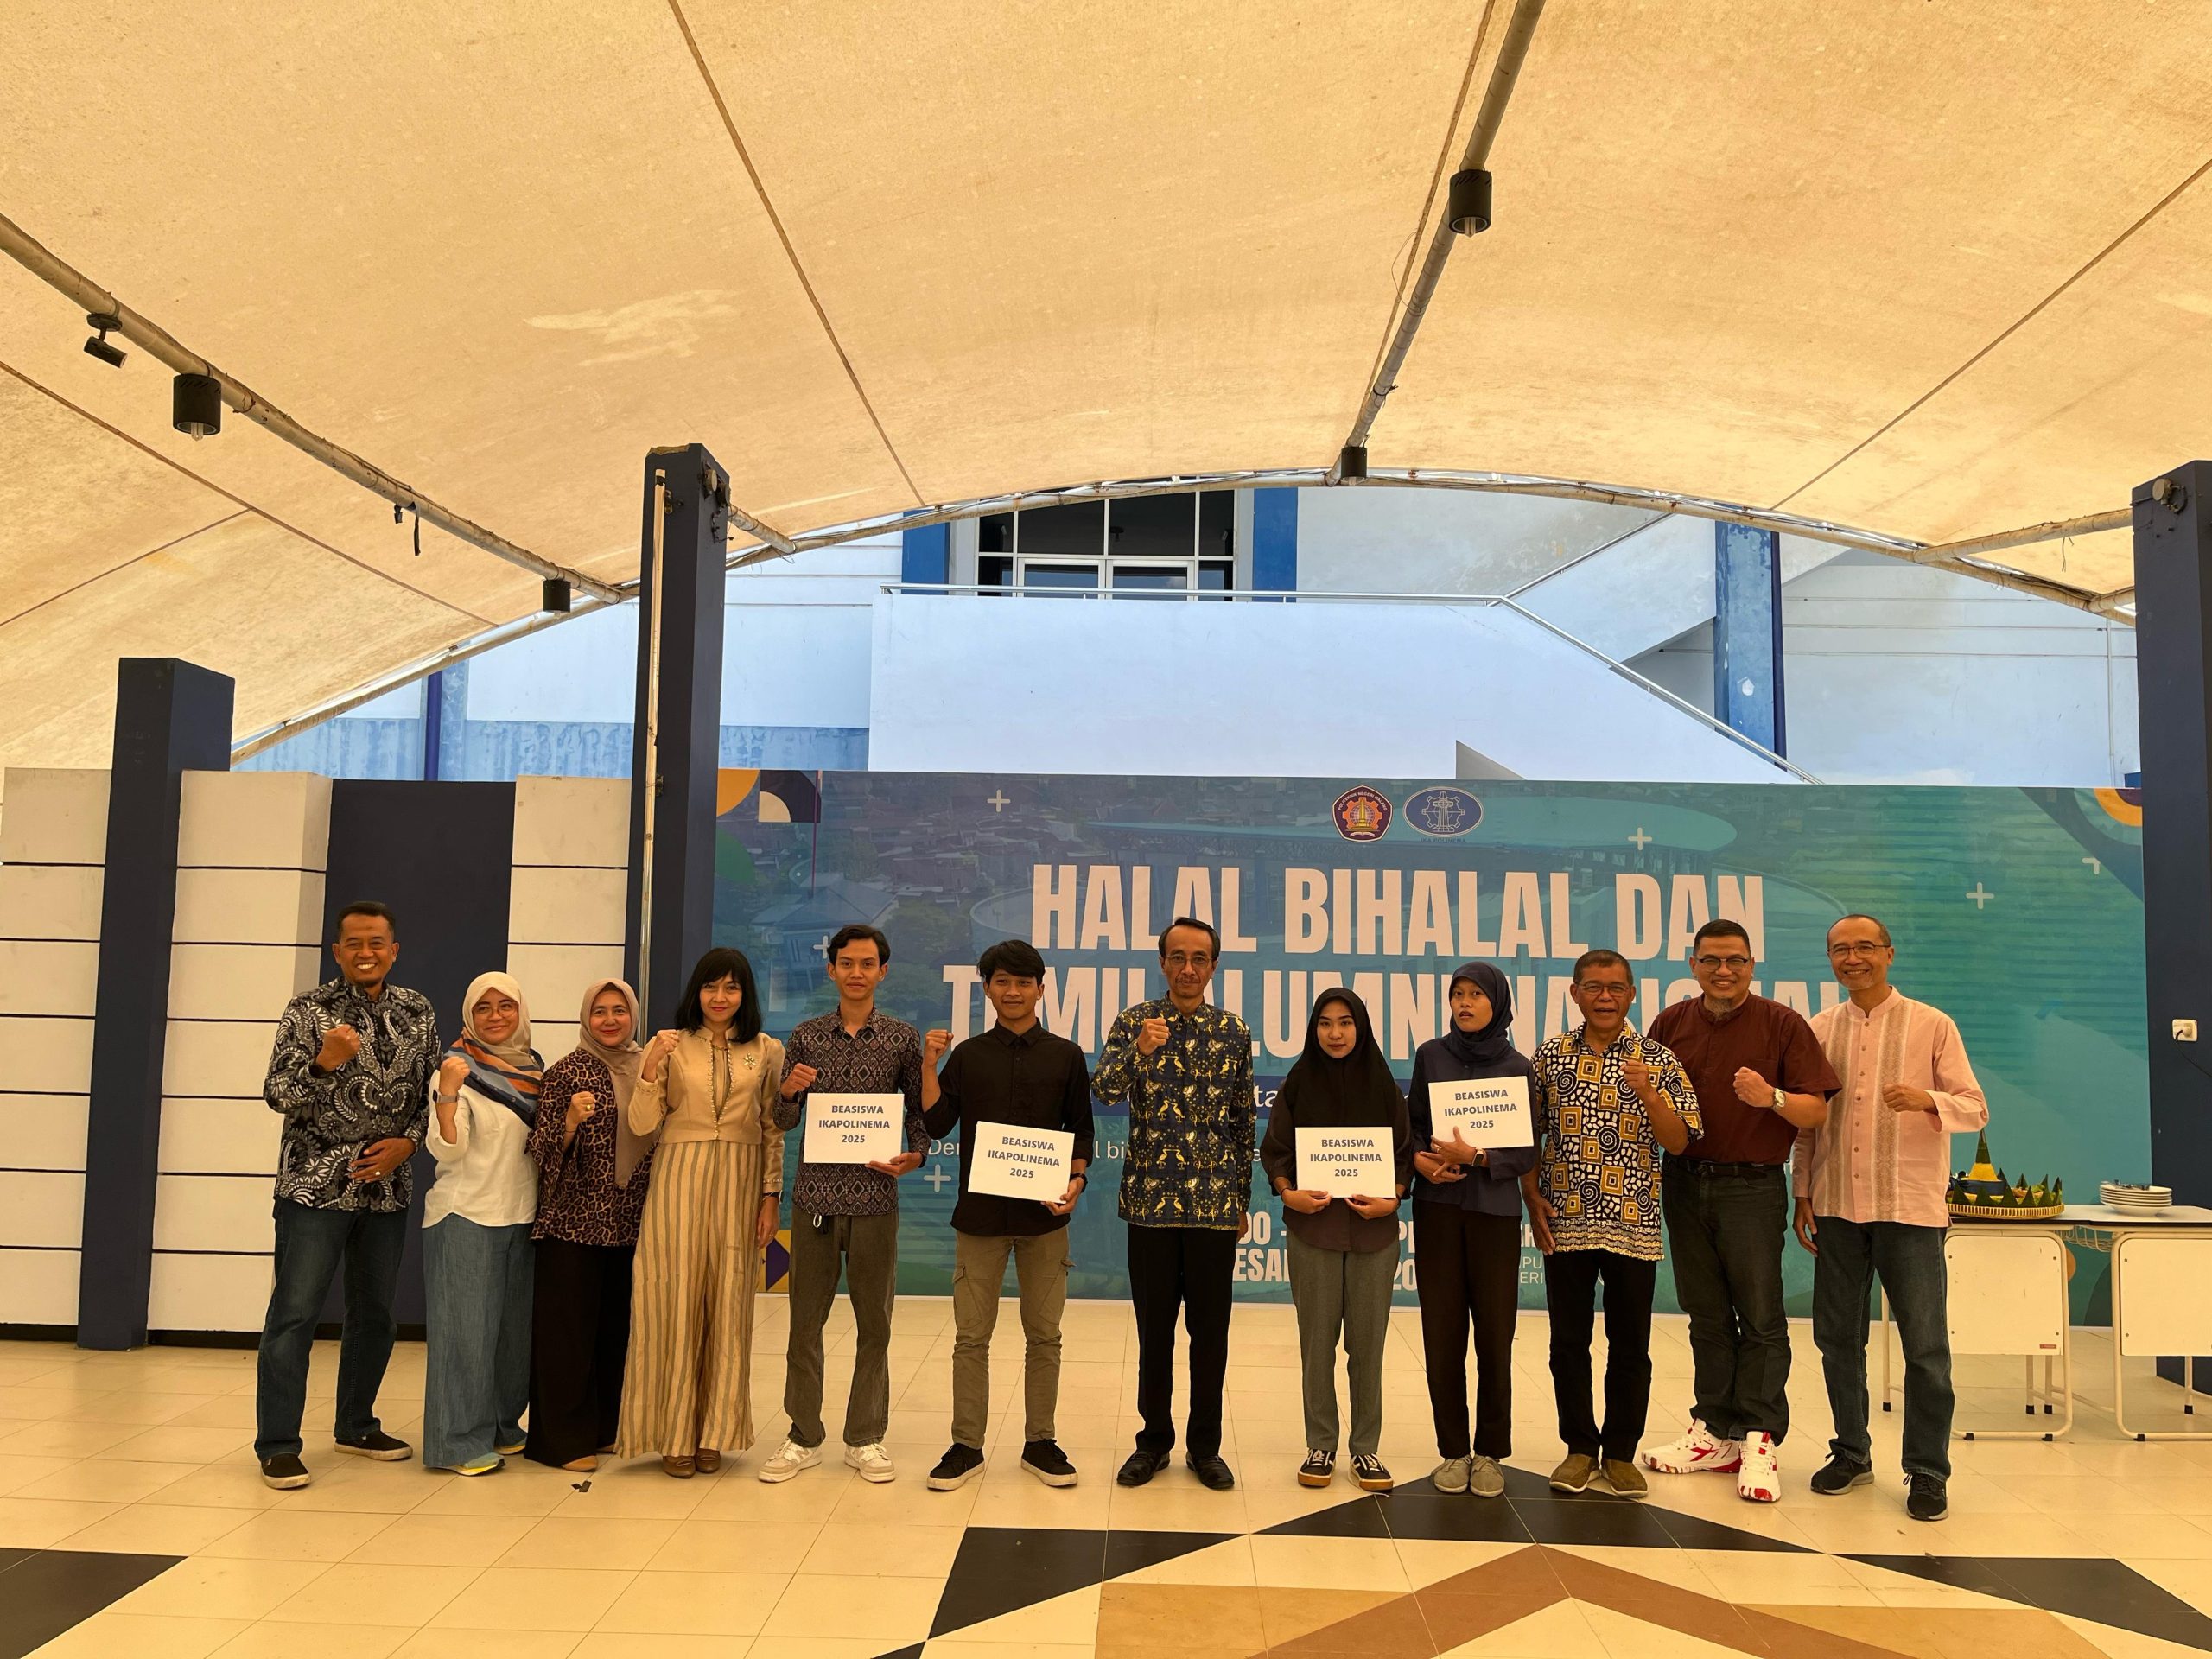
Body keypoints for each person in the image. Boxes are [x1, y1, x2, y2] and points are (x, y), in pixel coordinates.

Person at [1796, 913, 1988, 1523]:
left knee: (1925, 1347)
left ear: (1888, 953)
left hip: (1909, 1209)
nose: (1852, 959)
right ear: (1830, 959)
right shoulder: (1819, 1029)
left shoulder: (1932, 1024)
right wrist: (1802, 1193)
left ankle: (1928, 1470)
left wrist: (1926, 1098)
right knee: (1837, 1339)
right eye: (1840, 950)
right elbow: (1808, 1122)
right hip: (1836, 1206)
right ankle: (1852, 1452)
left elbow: (1975, 1108)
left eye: (1864, 947)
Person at [1643, 920, 1839, 1503]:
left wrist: (1771, 1097)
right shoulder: (1670, 1024)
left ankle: (1759, 1437)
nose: (1723, 971)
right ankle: (1713, 1430)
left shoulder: (1782, 1024)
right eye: (1711, 960)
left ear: (1752, 964)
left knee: (1759, 1316)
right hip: (1684, 1181)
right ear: (1693, 964)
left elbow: (1816, 1112)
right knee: (1704, 1312)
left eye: (1735, 960)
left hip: (1751, 1187)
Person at [254, 900, 439, 1490]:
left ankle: (356, 1425)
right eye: (354, 943)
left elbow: (432, 1096)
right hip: (314, 1189)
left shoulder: (418, 1010)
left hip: (387, 1191)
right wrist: (323, 1063)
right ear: (337, 951)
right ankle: (278, 1444)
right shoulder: (307, 1010)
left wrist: (409, 1145)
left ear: (394, 950)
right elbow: (277, 1094)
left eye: (376, 942)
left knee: (375, 1316)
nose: (365, 952)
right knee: (295, 1315)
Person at [1522, 949, 1700, 1500]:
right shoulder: (1550, 1056)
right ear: (1574, 993)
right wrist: (1531, 1194)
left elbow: (1680, 1141)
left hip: (1633, 1221)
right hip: (1566, 1219)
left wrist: (1648, 1092)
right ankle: (1579, 1447)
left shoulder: (1658, 1059)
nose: (1605, 997)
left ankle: (1621, 1453)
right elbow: (1528, 1133)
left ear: (1631, 994)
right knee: (1567, 1342)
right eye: (1594, 987)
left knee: (1630, 1346)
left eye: (1616, 987)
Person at [920, 938, 1094, 1491]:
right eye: (1002, 982)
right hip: (981, 1219)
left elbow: (1081, 1131)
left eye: (1023, 982)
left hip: (1045, 1220)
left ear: (1041, 989)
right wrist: (929, 1066)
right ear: (988, 989)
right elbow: (937, 1123)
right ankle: (966, 1446)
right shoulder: (969, 1056)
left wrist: (1076, 1181)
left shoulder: (1066, 1055)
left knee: (1045, 1336)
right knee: (971, 1337)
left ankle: (1040, 1442)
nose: (1012, 991)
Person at [758, 925, 927, 1484]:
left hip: (876, 1198)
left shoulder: (901, 1038)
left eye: (867, 963)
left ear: (883, 971)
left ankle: (865, 1436)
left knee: (874, 1324)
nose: (857, 973)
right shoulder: (806, 1037)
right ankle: (803, 1435)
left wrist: (918, 1154)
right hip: (815, 1200)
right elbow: (784, 1120)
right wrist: (788, 1091)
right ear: (831, 969)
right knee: (804, 1323)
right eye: (847, 963)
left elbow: (918, 1112)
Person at [1090, 915, 1255, 1492]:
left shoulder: (1233, 1030)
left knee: (1210, 1335)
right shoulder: (1135, 1022)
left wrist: (1241, 1199)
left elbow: (1243, 1121)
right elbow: (1104, 1090)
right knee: (1155, 1333)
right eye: (1178, 957)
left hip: (1213, 1205)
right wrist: (1139, 1051)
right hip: (1150, 1205)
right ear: (1162, 963)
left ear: (1213, 967)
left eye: (1199, 959)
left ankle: (1205, 1448)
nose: (1188, 969)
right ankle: (1153, 1442)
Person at [615, 947, 785, 1478]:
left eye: (732, 987)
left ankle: (716, 1432)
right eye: (711, 986)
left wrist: (771, 1196)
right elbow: (641, 1124)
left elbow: (772, 1128)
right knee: (672, 1301)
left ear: (745, 994)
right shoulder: (669, 1045)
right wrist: (648, 1068)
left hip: (739, 1183)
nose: (720, 997)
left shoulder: (766, 1050)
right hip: (677, 1180)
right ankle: (673, 1434)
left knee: (728, 1304)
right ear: (697, 991)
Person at [1261, 988, 1414, 1493]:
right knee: (1317, 1345)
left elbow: (1404, 1152)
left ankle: (1366, 1448)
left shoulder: (1384, 1084)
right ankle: (1321, 1443)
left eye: (1345, 1023)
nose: (1335, 1033)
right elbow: (1276, 1149)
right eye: (1325, 1023)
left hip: (1374, 1235)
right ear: (1314, 1030)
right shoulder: (1299, 1081)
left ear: (1360, 1028)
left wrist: (1393, 1198)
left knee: (1367, 1348)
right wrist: (1289, 1193)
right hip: (1314, 1232)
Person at [1408, 963, 1536, 1499]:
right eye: (1457, 994)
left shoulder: (1518, 1067)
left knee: (1494, 1336)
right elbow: (1413, 1126)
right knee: (1441, 1334)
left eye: (1475, 995)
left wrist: (1477, 1155)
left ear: (1497, 1003)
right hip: (1438, 1208)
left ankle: (1489, 1451)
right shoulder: (1431, 1056)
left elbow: (1526, 1151)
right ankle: (1454, 1449)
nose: (1464, 1003)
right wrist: (1421, 1160)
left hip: (1493, 1215)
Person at [526, 978, 657, 1473]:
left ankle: (603, 1428)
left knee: (612, 1332)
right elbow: (540, 1151)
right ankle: (560, 1441)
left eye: (619, 1010)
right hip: (573, 1225)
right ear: (586, 1017)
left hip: (629, 1223)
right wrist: (569, 1122)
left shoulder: (648, 1069)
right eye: (599, 1011)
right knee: (568, 1337)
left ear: (633, 1015)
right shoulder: (566, 1071)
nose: (609, 1020)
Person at [421, 973, 542, 1476]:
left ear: (521, 1012)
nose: (496, 1016)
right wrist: (448, 1096)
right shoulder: (456, 1068)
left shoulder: (534, 1069)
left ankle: (500, 1425)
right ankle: (456, 1443)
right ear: (470, 1015)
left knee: (511, 1337)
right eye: (484, 1008)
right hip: (466, 1214)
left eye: (505, 1006)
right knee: (464, 1337)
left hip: (521, 1214)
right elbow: (446, 1148)